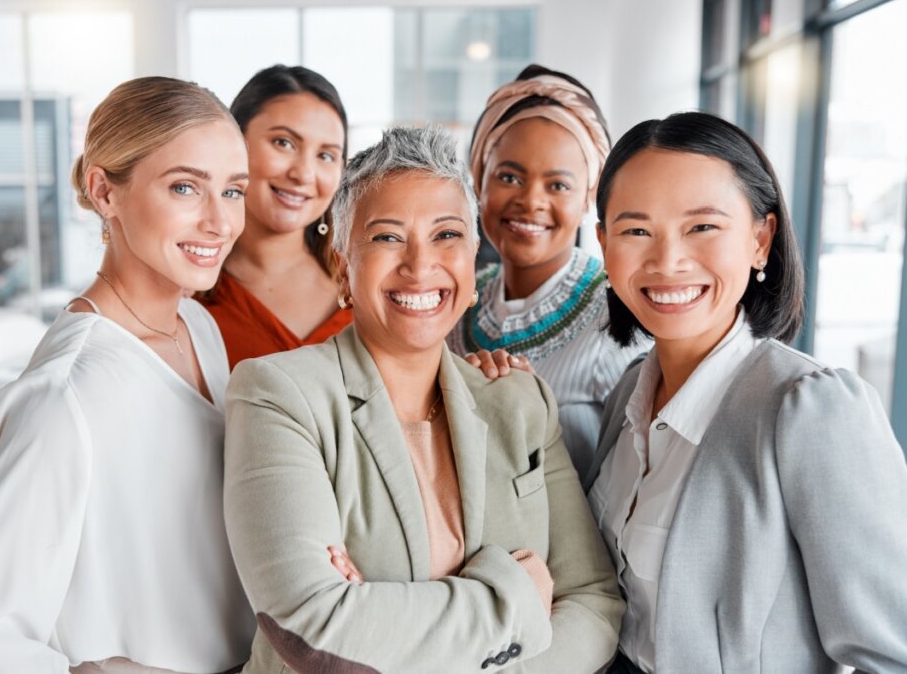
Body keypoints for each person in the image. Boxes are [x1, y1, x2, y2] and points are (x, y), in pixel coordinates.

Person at [224, 126, 623, 673]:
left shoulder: (520, 402)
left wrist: (387, 625)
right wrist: (518, 600)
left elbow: (596, 601)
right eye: (388, 237)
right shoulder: (279, 396)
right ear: (343, 268)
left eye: (446, 235)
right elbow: (312, 627)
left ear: (473, 264)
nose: (420, 264)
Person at [0, 77, 256, 673]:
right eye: (184, 188)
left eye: (233, 191)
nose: (219, 222)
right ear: (104, 191)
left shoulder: (197, 326)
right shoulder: (66, 395)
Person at [584, 111, 907, 673]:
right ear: (604, 244)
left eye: (702, 227)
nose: (667, 261)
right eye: (637, 230)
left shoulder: (811, 409)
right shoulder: (631, 389)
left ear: (761, 239)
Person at [448, 65, 649, 482]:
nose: (530, 201)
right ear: (478, 180)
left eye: (557, 185)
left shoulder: (619, 318)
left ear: (589, 197)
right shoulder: (457, 300)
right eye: (509, 177)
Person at [201, 65, 351, 368]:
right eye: (284, 143)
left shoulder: (364, 283)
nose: (304, 174)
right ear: (234, 142)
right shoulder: (187, 294)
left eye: (326, 155)